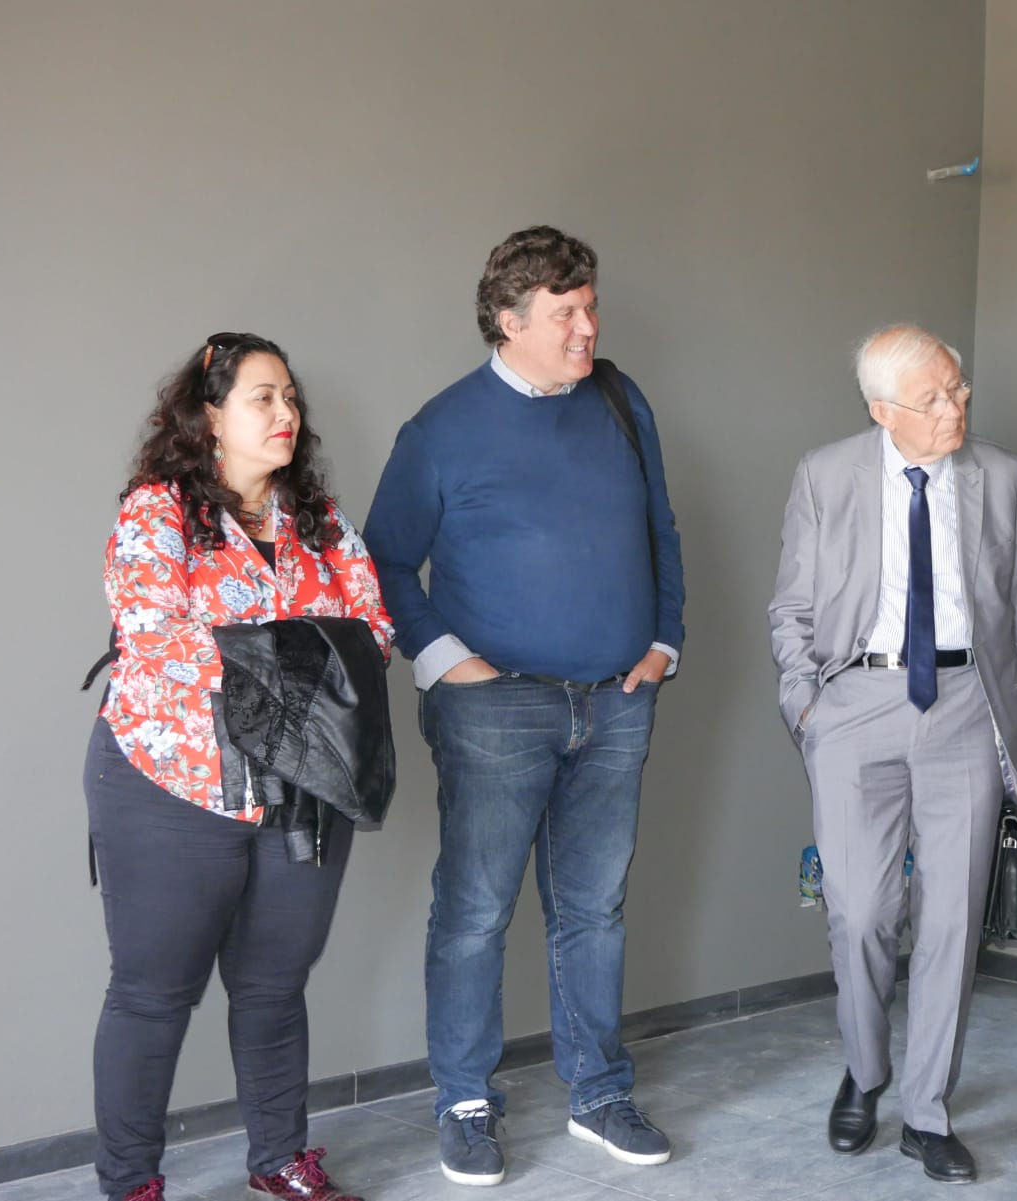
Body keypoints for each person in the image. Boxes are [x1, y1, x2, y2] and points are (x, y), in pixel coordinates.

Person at [363, 225, 684, 1186]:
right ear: (509, 322)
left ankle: (599, 1092)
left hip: (616, 703)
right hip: (494, 711)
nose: (588, 327)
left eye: (591, 306)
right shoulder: (440, 430)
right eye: (564, 313)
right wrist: (446, 660)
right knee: (475, 911)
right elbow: (383, 562)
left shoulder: (621, 402)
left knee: (595, 908)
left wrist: (664, 641)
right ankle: (465, 1100)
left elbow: (661, 529)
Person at [86, 333, 394, 1201]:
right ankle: (129, 1180)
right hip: (170, 783)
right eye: (264, 396)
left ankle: (279, 1158)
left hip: (302, 787)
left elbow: (373, 633)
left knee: (274, 985)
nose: (285, 411)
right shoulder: (158, 512)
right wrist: (304, 652)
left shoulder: (321, 523)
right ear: (210, 415)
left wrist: (255, 650)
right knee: (153, 992)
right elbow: (155, 637)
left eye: (290, 396)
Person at [768, 324, 1017, 1185]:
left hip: (965, 707)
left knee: (953, 921)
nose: (956, 406)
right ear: (883, 410)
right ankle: (865, 1069)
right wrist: (808, 708)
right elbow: (793, 607)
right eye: (933, 398)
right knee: (859, 912)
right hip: (856, 705)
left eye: (957, 388)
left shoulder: (1004, 476)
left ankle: (927, 1112)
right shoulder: (826, 474)